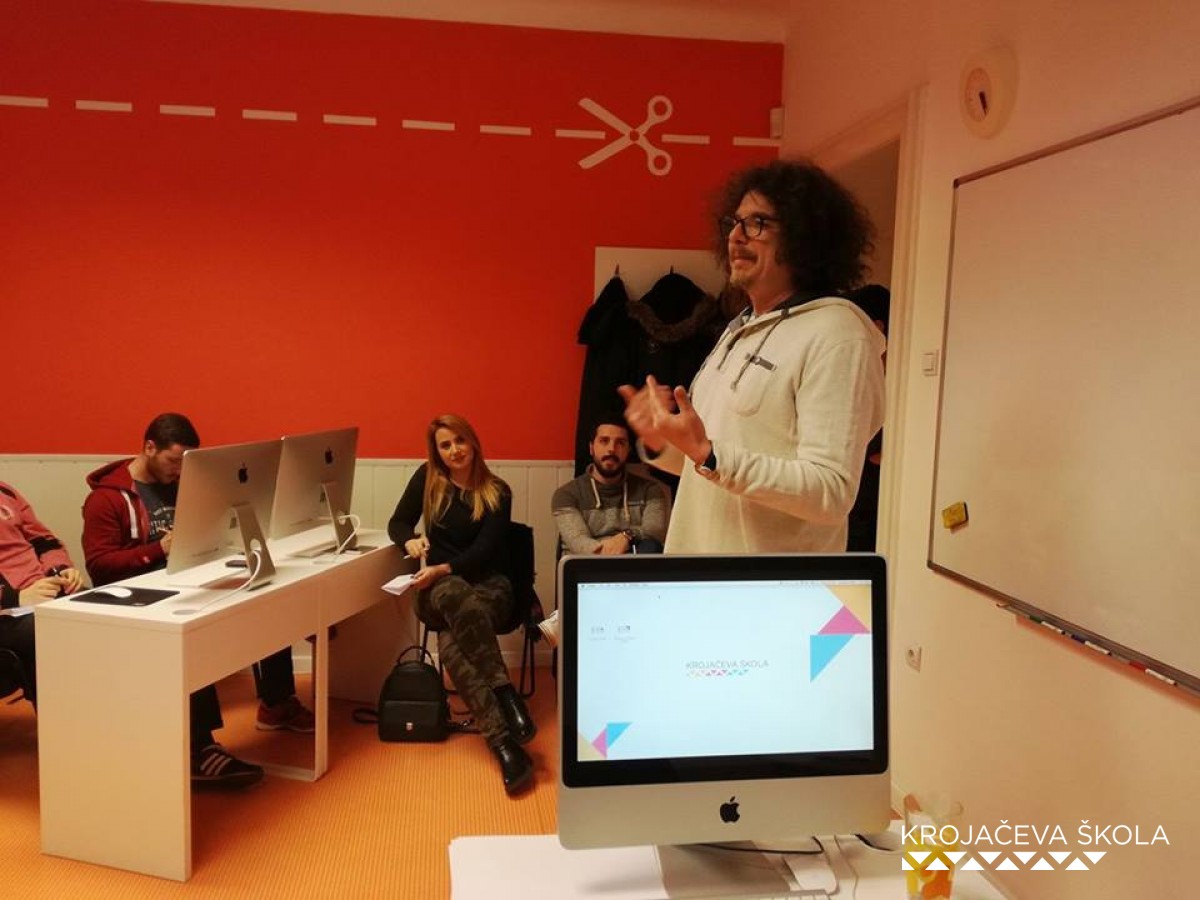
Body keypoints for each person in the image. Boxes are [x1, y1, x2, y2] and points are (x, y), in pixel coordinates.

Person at [619, 160, 886, 554]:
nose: (736, 237)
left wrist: (709, 454)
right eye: (734, 222)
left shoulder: (838, 333)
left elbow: (829, 493)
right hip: (700, 576)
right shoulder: (738, 328)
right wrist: (664, 440)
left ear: (804, 237)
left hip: (771, 586)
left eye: (758, 223)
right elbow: (711, 469)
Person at [81, 412, 313, 788]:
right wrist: (158, 549)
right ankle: (200, 748)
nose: (178, 471)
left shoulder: (185, 486)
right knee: (188, 638)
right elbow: (100, 566)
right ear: (149, 447)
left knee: (266, 603)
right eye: (173, 461)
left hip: (186, 583)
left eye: (184, 463)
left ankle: (277, 702)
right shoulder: (106, 499)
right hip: (142, 598)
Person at [387, 414, 536, 796]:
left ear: (473, 443)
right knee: (452, 592)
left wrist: (443, 567)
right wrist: (409, 541)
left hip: (490, 586)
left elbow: (484, 551)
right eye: (445, 445)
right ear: (436, 451)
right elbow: (397, 523)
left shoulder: (497, 491)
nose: (454, 450)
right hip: (437, 590)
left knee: (452, 645)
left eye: (460, 441)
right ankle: (504, 693)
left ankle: (503, 745)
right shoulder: (427, 479)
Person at [0, 481, 86, 707]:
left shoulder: (5, 491)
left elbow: (44, 540)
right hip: (8, 609)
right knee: (55, 631)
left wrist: (60, 570)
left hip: (43, 591)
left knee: (103, 614)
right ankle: (63, 720)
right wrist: (14, 598)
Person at [552, 416, 672, 556]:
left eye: (620, 443)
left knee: (651, 546)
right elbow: (579, 543)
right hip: (586, 564)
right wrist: (613, 551)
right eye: (604, 441)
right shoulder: (566, 495)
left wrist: (627, 536)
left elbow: (656, 531)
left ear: (628, 450)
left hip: (635, 565)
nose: (611, 449)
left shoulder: (650, 490)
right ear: (591, 448)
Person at [844, 284, 890, 552]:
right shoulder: (857, 368)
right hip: (858, 496)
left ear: (877, 326)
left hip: (872, 500)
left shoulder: (896, 375)